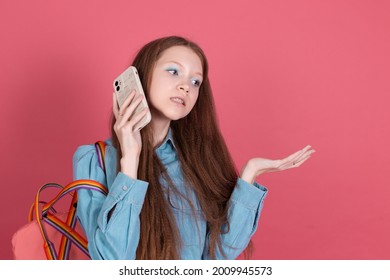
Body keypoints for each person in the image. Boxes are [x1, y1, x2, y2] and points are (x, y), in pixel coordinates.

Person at [73, 36, 315, 260]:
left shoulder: (197, 161)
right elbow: (112, 260)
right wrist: (130, 162)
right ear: (141, 76)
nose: (185, 86)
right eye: (173, 71)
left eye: (195, 81)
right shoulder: (94, 160)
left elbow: (217, 257)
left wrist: (250, 175)